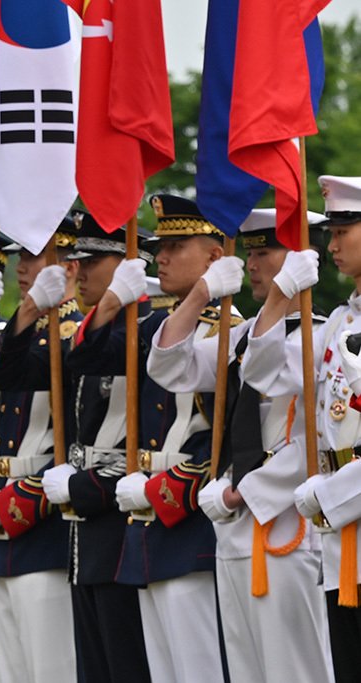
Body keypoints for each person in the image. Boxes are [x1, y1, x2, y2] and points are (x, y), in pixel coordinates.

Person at [148, 207, 333, 682]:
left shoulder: (324, 335)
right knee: (249, 669)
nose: (251, 264)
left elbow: (317, 434)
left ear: (297, 259)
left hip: (290, 525)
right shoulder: (243, 334)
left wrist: (243, 490)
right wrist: (202, 293)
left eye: (265, 252)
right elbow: (169, 367)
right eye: (249, 253)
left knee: (296, 668)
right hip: (235, 526)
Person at [66, 195, 233, 683]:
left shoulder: (228, 333)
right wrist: (114, 300)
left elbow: (226, 442)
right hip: (146, 532)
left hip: (189, 525)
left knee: (199, 668)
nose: (160, 256)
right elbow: (87, 354)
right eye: (160, 245)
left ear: (214, 258)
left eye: (177, 246)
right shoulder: (156, 326)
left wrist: (161, 490)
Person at [241, 175, 361, 681]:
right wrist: (280, 298)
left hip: (341, 508)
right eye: (329, 232)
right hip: (342, 544)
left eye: (343, 230)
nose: (330, 244)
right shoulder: (337, 324)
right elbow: (261, 371)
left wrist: (332, 494)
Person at [41, 212, 153, 683]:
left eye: (92, 261)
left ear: (129, 265)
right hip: (83, 523)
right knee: (95, 666)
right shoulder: (100, 328)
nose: (78, 270)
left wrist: (111, 306)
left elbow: (84, 355)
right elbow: (6, 375)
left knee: (127, 663)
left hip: (123, 513)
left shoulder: (153, 329)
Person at [0, 217, 82, 683]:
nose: (23, 268)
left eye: (36, 257)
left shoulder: (77, 333)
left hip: (43, 522)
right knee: (12, 670)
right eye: (20, 257)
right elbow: (0, 377)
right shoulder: (20, 331)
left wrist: (15, 499)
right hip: (1, 519)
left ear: (70, 267)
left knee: (50, 668)